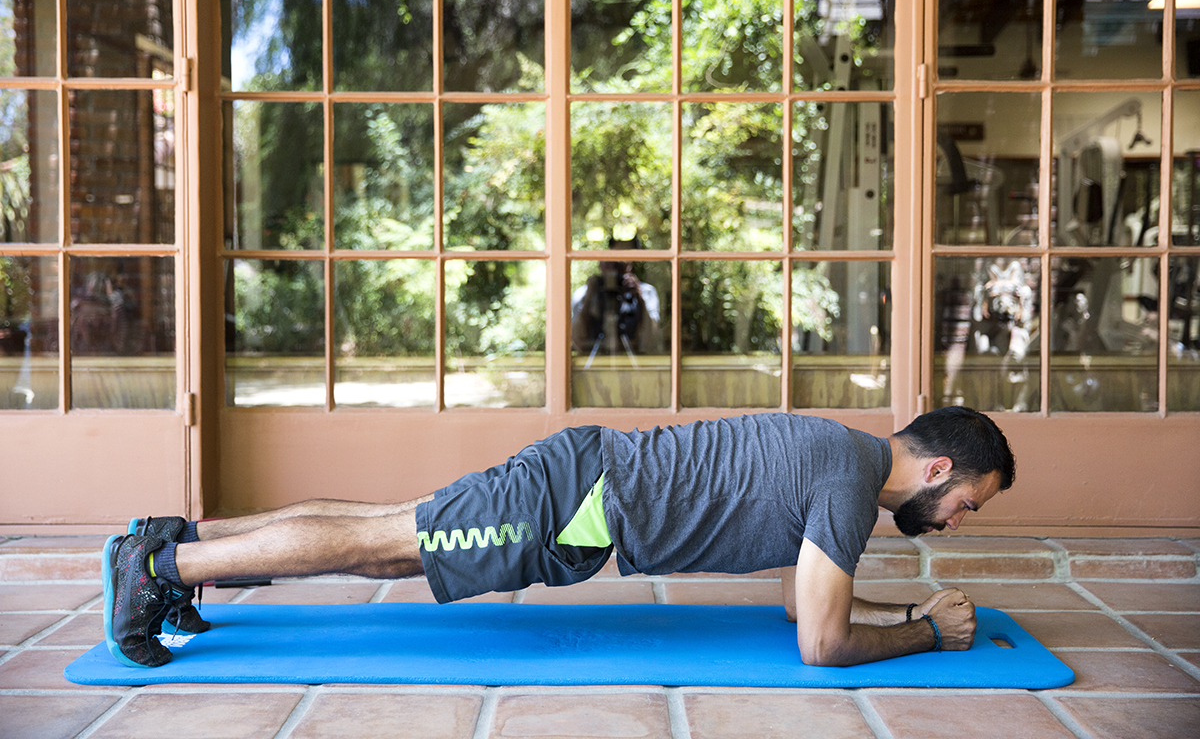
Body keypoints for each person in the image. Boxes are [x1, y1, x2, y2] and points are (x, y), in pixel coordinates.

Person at [103, 406, 1015, 670]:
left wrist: (897, 608)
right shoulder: (848, 483)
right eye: (970, 503)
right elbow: (820, 644)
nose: (957, 523)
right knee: (383, 544)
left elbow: (798, 601)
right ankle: (159, 566)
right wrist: (925, 632)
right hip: (575, 501)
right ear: (937, 472)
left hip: (581, 487)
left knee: (386, 535)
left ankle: (178, 543)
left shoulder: (839, 456)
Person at [571, 237, 664, 357]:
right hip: (595, 361)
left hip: (634, 360)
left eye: (619, 264)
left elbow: (651, 341)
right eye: (608, 262)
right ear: (601, 264)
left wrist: (640, 299)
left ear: (629, 266)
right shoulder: (583, 294)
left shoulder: (647, 292)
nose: (613, 270)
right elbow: (576, 340)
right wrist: (589, 297)